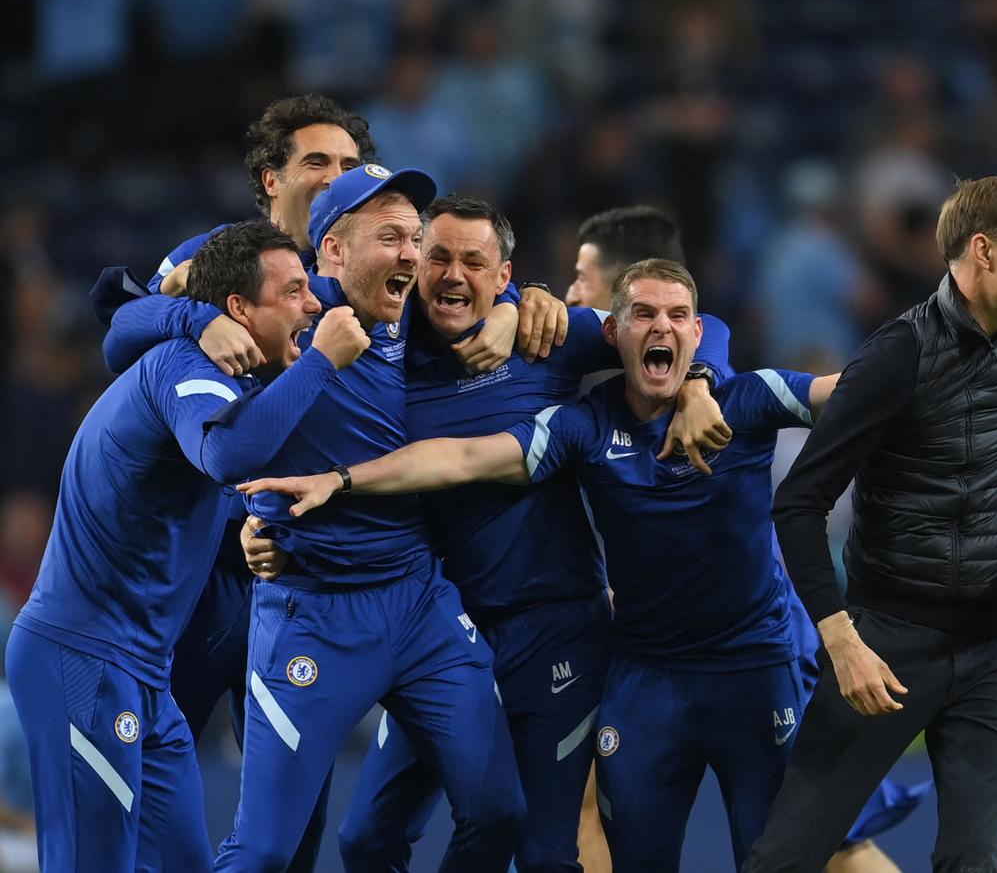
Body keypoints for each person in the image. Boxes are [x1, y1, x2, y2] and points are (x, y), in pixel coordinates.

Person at [241, 258, 838, 872]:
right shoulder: (584, 425)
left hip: (746, 667)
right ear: (614, 331)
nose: (662, 327)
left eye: (678, 316)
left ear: (696, 330)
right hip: (618, 673)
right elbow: (464, 457)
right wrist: (338, 480)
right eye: (644, 315)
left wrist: (930, 369)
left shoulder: (748, 401)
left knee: (775, 862)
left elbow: (849, 393)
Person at [104, 165, 529, 872]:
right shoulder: (283, 318)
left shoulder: (418, 311)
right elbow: (128, 338)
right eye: (389, 237)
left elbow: (487, 278)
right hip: (312, 609)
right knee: (267, 849)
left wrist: (517, 301)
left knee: (498, 812)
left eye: (414, 240)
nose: (410, 255)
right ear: (331, 251)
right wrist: (191, 317)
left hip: (420, 603)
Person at [741, 176, 997, 873]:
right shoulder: (895, 354)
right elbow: (799, 502)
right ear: (984, 250)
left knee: (974, 859)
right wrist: (840, 639)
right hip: (888, 647)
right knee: (786, 858)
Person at [568, 206, 926, 873]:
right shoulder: (592, 388)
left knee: (829, 842)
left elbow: (752, 362)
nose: (568, 299)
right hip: (656, 651)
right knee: (589, 802)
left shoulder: (709, 362)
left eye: (581, 280)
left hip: (762, 639)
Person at [4, 219, 367, 872]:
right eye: (292, 292)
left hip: (144, 673)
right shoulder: (185, 365)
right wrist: (321, 360)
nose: (314, 304)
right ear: (238, 310)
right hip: (82, 657)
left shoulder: (239, 383)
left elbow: (223, 477)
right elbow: (228, 452)